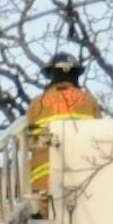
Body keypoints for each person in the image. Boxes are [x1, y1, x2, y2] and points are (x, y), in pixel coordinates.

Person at [24, 53, 102, 198]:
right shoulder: (89, 101)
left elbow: (30, 142)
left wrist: (53, 142)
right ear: (76, 75)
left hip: (44, 183)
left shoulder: (38, 103)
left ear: (51, 75)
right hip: (84, 179)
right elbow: (98, 140)